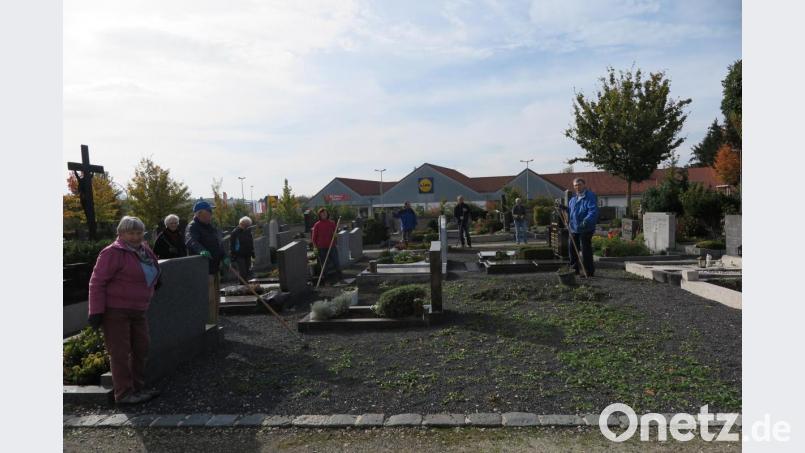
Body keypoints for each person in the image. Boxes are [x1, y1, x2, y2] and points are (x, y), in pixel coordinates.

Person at [87, 216, 161, 405]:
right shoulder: (112, 253)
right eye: (130, 233)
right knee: (120, 352)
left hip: (138, 309)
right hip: (115, 310)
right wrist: (95, 311)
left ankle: (138, 388)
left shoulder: (144, 250)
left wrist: (155, 281)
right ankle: (124, 394)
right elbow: (97, 282)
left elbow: (153, 269)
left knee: (141, 348)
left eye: (138, 233)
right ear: (120, 234)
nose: (135, 237)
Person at [185, 200, 229, 323]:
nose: (211, 213)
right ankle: (208, 325)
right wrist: (201, 250)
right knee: (208, 300)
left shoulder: (210, 227)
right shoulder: (192, 226)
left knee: (215, 300)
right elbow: (191, 241)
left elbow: (217, 244)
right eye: (209, 211)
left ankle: (214, 323)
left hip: (214, 268)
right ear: (199, 214)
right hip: (203, 269)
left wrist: (224, 256)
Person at [561, 178, 598, 277]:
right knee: (572, 249)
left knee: (585, 250)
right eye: (575, 185)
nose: (577, 187)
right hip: (574, 228)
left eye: (579, 184)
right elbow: (571, 212)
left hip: (586, 228)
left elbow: (593, 211)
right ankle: (574, 270)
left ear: (584, 185)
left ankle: (588, 271)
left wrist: (586, 220)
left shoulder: (590, 196)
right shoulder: (573, 199)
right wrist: (564, 208)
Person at [311, 208, 341, 281]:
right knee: (324, 264)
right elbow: (314, 237)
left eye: (325, 213)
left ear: (327, 214)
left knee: (336, 261)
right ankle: (326, 279)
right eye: (322, 214)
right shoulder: (317, 225)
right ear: (320, 215)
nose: (324, 215)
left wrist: (336, 236)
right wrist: (315, 247)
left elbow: (335, 234)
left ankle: (340, 276)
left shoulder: (332, 223)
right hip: (321, 247)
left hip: (331, 246)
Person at [230, 216, 255, 281]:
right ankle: (242, 286)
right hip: (239, 255)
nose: (247, 227)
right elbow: (232, 244)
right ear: (243, 224)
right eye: (247, 225)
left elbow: (250, 242)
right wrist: (233, 254)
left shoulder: (248, 231)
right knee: (242, 272)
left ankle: (247, 286)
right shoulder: (235, 232)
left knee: (247, 271)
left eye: (248, 226)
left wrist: (252, 252)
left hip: (248, 254)